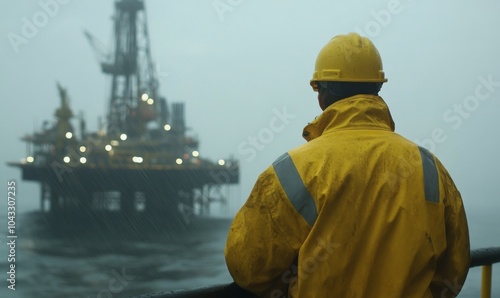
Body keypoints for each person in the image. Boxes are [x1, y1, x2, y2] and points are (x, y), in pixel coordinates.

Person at [224, 32, 470, 298]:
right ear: (377, 90)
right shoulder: (429, 167)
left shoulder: (293, 169)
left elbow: (248, 268)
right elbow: (454, 270)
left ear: (321, 95)